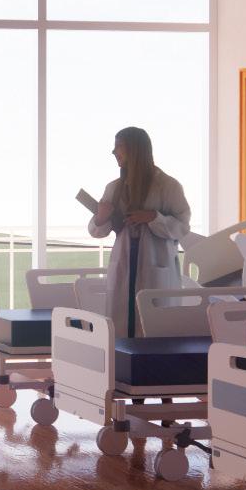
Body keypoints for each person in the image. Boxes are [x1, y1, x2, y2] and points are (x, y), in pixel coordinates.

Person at [87, 126, 192, 338]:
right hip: (124, 263)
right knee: (121, 328)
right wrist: (101, 217)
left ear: (135, 149)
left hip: (156, 265)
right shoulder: (113, 188)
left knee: (153, 329)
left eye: (119, 146)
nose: (114, 152)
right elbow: (97, 231)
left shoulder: (168, 186)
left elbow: (182, 227)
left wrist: (154, 217)